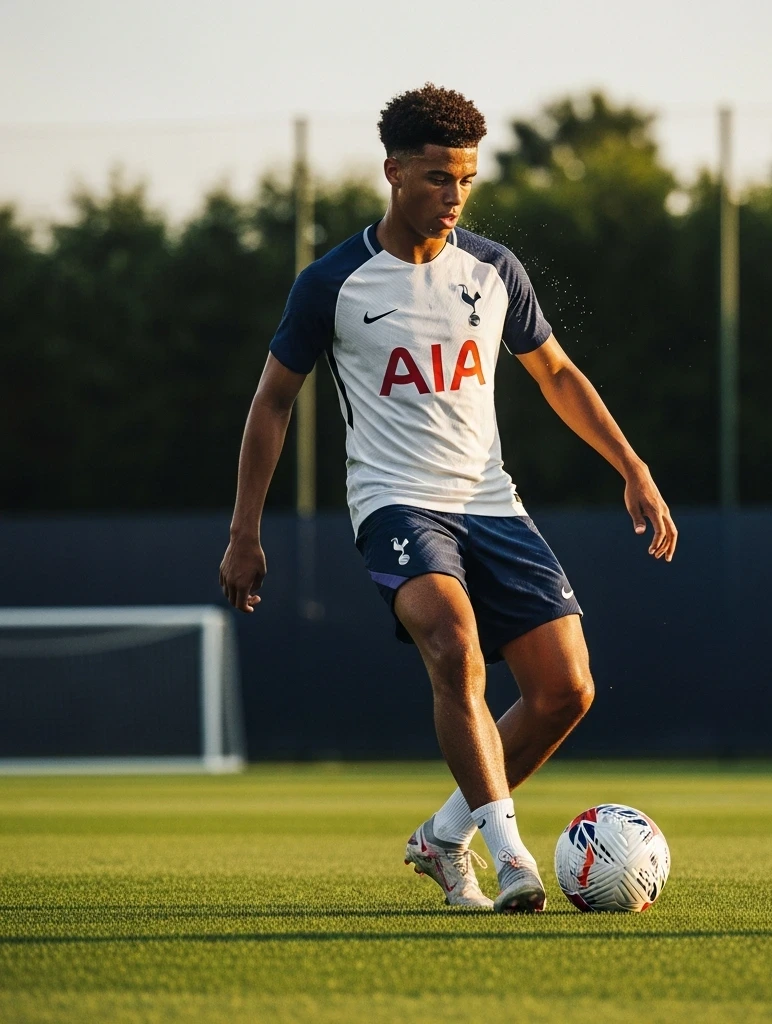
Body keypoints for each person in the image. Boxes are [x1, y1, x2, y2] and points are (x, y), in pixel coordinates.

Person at [219, 84, 677, 913]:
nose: (453, 196)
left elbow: (558, 375)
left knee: (567, 690)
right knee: (454, 644)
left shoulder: (495, 269)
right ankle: (510, 861)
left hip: (492, 503)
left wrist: (632, 465)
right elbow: (273, 401)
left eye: (465, 178)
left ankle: (441, 838)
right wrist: (244, 530)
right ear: (393, 172)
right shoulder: (333, 281)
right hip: (395, 502)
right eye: (436, 177)